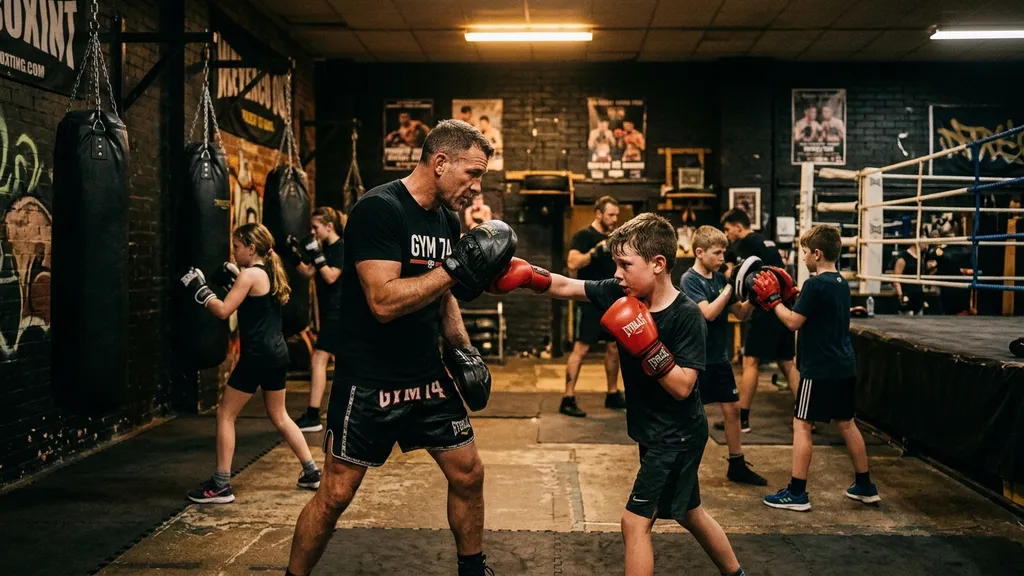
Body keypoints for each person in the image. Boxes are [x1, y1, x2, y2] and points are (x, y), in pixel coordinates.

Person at [285, 119, 513, 576]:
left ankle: (473, 569)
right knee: (335, 495)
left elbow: (443, 294)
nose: (477, 186)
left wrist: (463, 351)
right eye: (472, 173)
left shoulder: (446, 219)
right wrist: (455, 265)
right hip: (371, 379)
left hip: (427, 374)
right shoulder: (379, 210)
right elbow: (384, 301)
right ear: (440, 162)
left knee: (469, 473)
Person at [488, 213, 746, 576]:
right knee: (689, 511)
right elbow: (567, 287)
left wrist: (647, 346)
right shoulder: (622, 291)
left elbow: (684, 386)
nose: (618, 273)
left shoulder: (686, 315)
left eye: (626, 264)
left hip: (677, 434)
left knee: (634, 522)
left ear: (658, 264)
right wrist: (528, 276)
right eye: (616, 264)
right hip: (652, 429)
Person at [181, 223, 322, 504]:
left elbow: (222, 311)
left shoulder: (249, 274)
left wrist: (200, 289)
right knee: (280, 416)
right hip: (277, 353)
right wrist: (232, 279)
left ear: (250, 247)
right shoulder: (269, 271)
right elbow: (252, 303)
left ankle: (221, 485)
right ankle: (312, 471)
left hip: (257, 355)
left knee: (225, 414)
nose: (233, 252)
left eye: (236, 246)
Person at [754, 225, 880, 511]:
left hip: (819, 368)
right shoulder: (840, 282)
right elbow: (813, 312)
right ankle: (864, 485)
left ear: (817, 253)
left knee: (801, 425)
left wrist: (773, 301)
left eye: (805, 252)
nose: (804, 257)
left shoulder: (815, 284)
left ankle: (797, 492)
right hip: (844, 364)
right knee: (847, 423)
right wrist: (791, 297)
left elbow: (793, 322)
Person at [680, 226, 766, 486]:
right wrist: (730, 286)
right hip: (696, 360)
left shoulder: (718, 279)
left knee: (732, 411)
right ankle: (681, 467)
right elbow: (707, 313)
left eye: (723, 252)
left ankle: (737, 464)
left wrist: (754, 297)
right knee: (691, 417)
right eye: (717, 253)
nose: (721, 258)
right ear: (699, 252)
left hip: (719, 358)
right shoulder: (690, 280)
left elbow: (740, 313)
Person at [720, 208, 800, 432]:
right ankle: (807, 417)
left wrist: (728, 273)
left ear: (739, 227)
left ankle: (741, 420)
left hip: (766, 309)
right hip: (784, 306)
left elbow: (742, 278)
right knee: (787, 363)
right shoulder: (767, 242)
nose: (727, 235)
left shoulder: (746, 244)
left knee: (750, 362)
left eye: (728, 230)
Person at [563, 195, 626, 417]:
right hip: (590, 301)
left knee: (613, 348)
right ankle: (568, 397)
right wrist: (595, 251)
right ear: (598, 214)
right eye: (611, 214)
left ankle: (612, 393)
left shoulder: (617, 238)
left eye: (616, 215)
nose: (614, 218)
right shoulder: (584, 236)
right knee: (581, 348)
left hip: (613, 302)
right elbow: (572, 263)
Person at [285, 207, 346, 433]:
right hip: (330, 311)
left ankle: (313, 415)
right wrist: (295, 257)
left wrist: (318, 257)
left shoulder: (341, 247)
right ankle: (341, 409)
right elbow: (309, 273)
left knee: (318, 359)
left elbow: (330, 276)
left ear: (329, 227)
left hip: (338, 312)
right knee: (343, 361)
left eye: (316, 227)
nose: (312, 231)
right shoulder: (325, 248)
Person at [891, 242, 930, 315]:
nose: (926, 246)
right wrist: (900, 295)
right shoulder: (903, 257)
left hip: (918, 294)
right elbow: (896, 279)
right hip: (906, 293)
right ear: (916, 243)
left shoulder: (922, 257)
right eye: (924, 243)